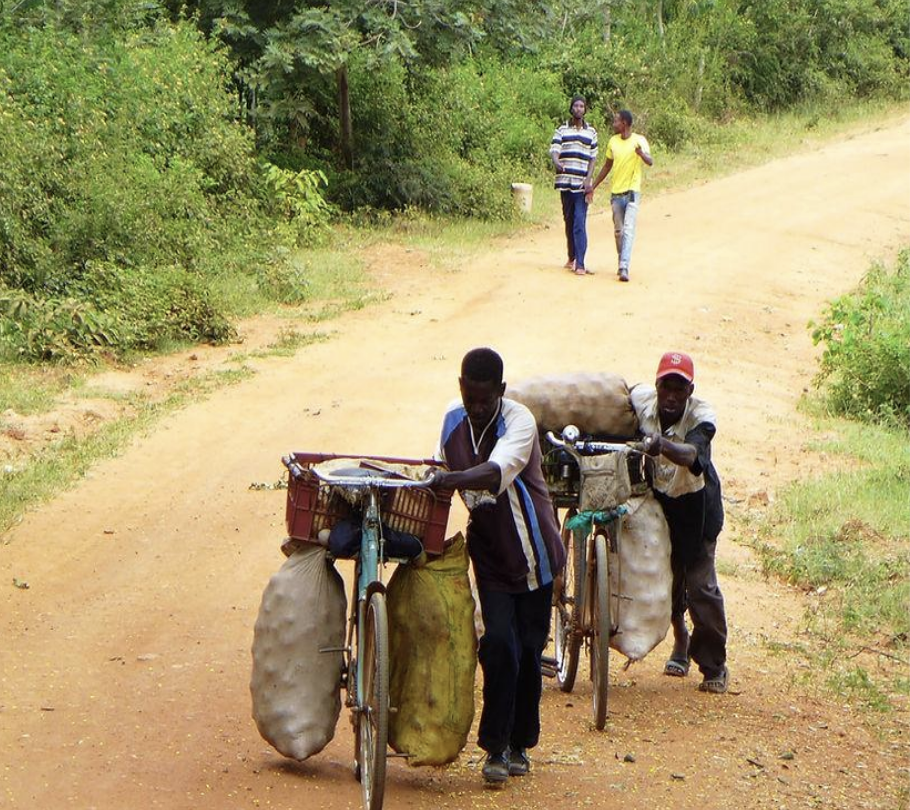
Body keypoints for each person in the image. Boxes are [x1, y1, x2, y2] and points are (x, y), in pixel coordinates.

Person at [426, 348, 566, 785]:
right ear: (461, 389)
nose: (478, 407)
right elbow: (435, 475)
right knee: (499, 645)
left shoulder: (520, 422)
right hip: (490, 554)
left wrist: (450, 479)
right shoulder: (452, 421)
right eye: (471, 398)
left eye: (486, 399)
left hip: (536, 554)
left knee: (527, 649)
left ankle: (521, 742)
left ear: (501, 392)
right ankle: (494, 748)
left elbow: (493, 472)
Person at [630, 352, 729, 694]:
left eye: (679, 388)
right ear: (656, 386)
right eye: (665, 387)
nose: (671, 395)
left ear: (690, 390)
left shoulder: (702, 415)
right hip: (662, 508)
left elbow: (691, 455)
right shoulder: (643, 403)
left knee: (701, 588)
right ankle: (680, 640)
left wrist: (662, 445)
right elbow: (617, 394)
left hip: (699, 508)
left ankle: (714, 664)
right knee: (668, 584)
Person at [590, 110, 653, 282]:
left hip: (632, 191)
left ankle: (624, 265)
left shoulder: (639, 141)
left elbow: (650, 161)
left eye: (616, 120)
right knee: (619, 232)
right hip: (616, 194)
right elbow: (607, 166)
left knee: (629, 229)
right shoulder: (613, 142)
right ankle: (621, 259)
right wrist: (593, 186)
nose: (614, 123)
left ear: (624, 123)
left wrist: (641, 154)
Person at [550, 96, 598, 276]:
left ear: (585, 110)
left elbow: (593, 157)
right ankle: (571, 257)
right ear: (571, 109)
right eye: (575, 106)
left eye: (581, 106)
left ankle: (581, 263)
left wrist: (589, 179)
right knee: (569, 220)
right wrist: (557, 162)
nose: (578, 109)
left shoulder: (591, 132)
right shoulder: (562, 129)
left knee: (579, 221)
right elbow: (555, 150)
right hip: (565, 182)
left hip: (582, 185)